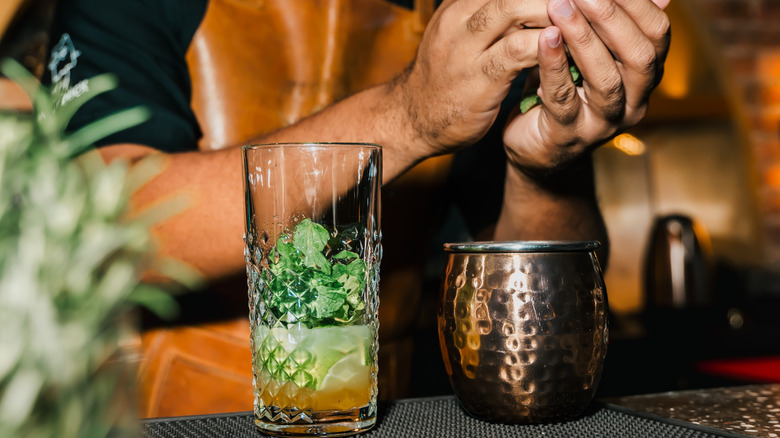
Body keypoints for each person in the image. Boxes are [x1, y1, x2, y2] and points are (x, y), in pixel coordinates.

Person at [42, 0, 670, 417]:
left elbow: (541, 306)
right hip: (168, 419)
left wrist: (542, 169)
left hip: (380, 415)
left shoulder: (464, 12)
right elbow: (108, 224)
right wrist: (409, 116)